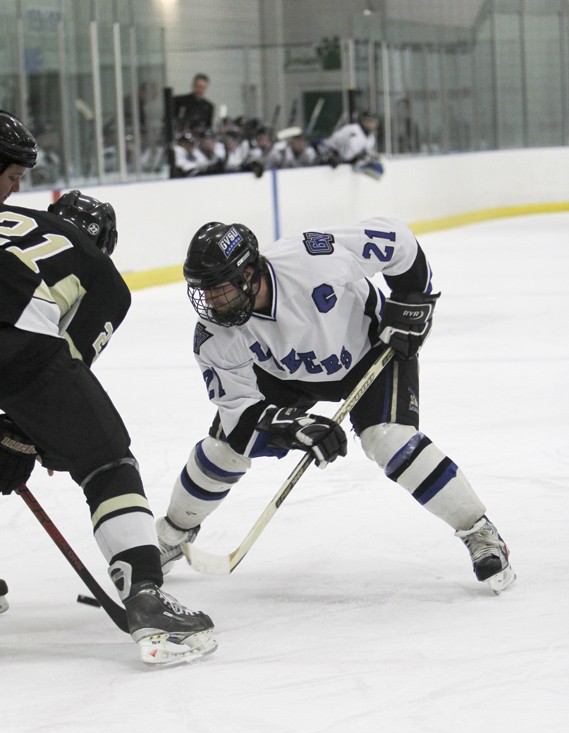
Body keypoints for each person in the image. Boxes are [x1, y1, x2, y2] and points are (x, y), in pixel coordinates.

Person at [156, 219, 516, 598]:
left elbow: (398, 242)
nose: (210, 302)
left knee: (389, 440)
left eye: (218, 288)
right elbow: (242, 422)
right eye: (202, 291)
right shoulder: (214, 336)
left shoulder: (313, 257)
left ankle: (480, 533)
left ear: (248, 272)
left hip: (370, 348)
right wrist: (293, 428)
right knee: (224, 450)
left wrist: (413, 297)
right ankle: (170, 536)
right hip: (284, 376)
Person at [0, 111, 216, 665]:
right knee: (105, 460)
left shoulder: (15, 218)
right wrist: (22, 433)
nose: (15, 186)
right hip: (19, 333)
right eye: (13, 173)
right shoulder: (98, 269)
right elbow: (57, 367)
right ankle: (145, 594)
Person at [320, 110, 384, 179]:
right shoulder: (353, 130)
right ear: (362, 121)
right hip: (327, 151)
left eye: (372, 122)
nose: (370, 124)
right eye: (367, 121)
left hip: (342, 158)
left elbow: (362, 153)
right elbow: (346, 154)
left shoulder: (371, 137)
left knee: (377, 166)